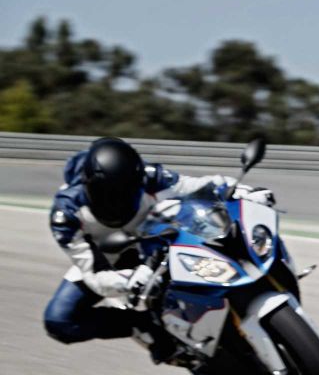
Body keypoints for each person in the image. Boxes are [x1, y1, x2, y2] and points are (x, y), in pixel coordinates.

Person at [43, 136, 272, 358]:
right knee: (59, 321)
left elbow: (200, 186)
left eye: (126, 192)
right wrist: (127, 281)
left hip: (155, 239)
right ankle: (140, 325)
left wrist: (244, 192)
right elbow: (93, 273)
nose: (118, 201)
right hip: (107, 260)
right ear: (88, 186)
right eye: (109, 195)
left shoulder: (150, 176)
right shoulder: (66, 215)